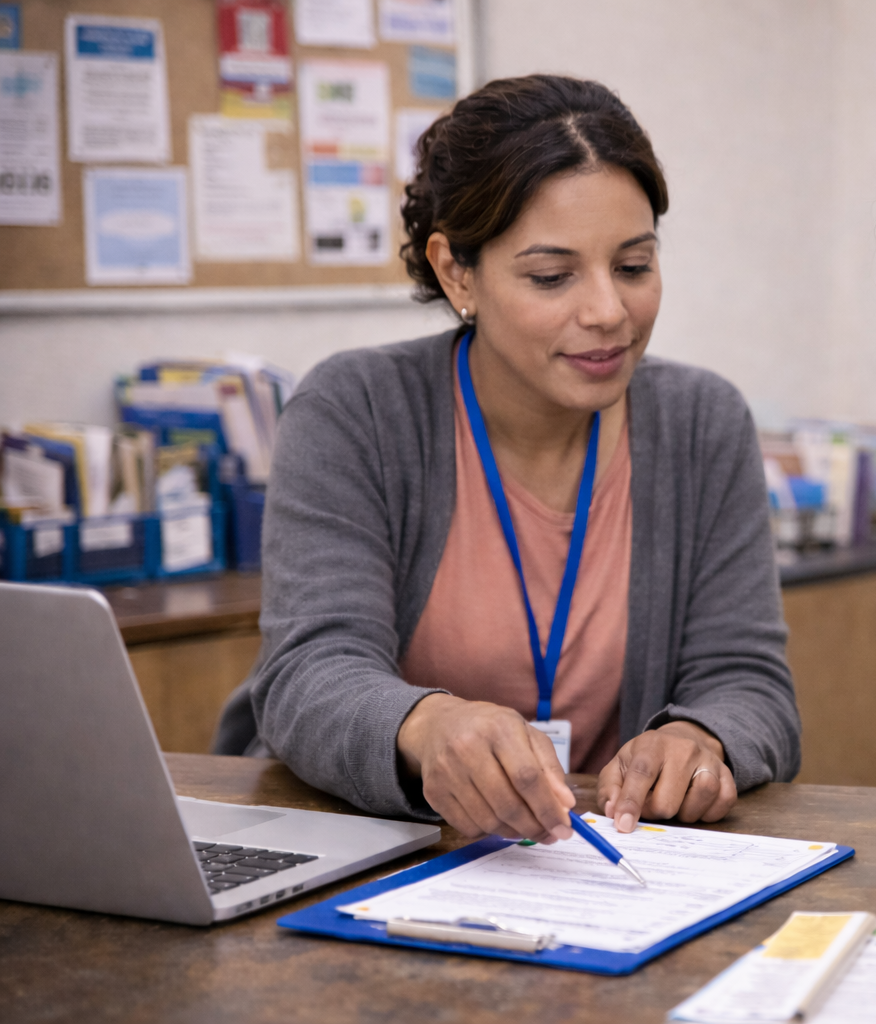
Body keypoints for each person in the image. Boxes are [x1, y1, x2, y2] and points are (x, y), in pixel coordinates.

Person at [215, 74, 800, 847]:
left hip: (592, 870)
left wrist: (702, 737)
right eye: (551, 276)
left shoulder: (702, 422)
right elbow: (308, 674)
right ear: (458, 271)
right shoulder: (355, 409)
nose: (607, 312)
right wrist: (428, 726)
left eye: (633, 266)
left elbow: (749, 683)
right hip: (375, 856)